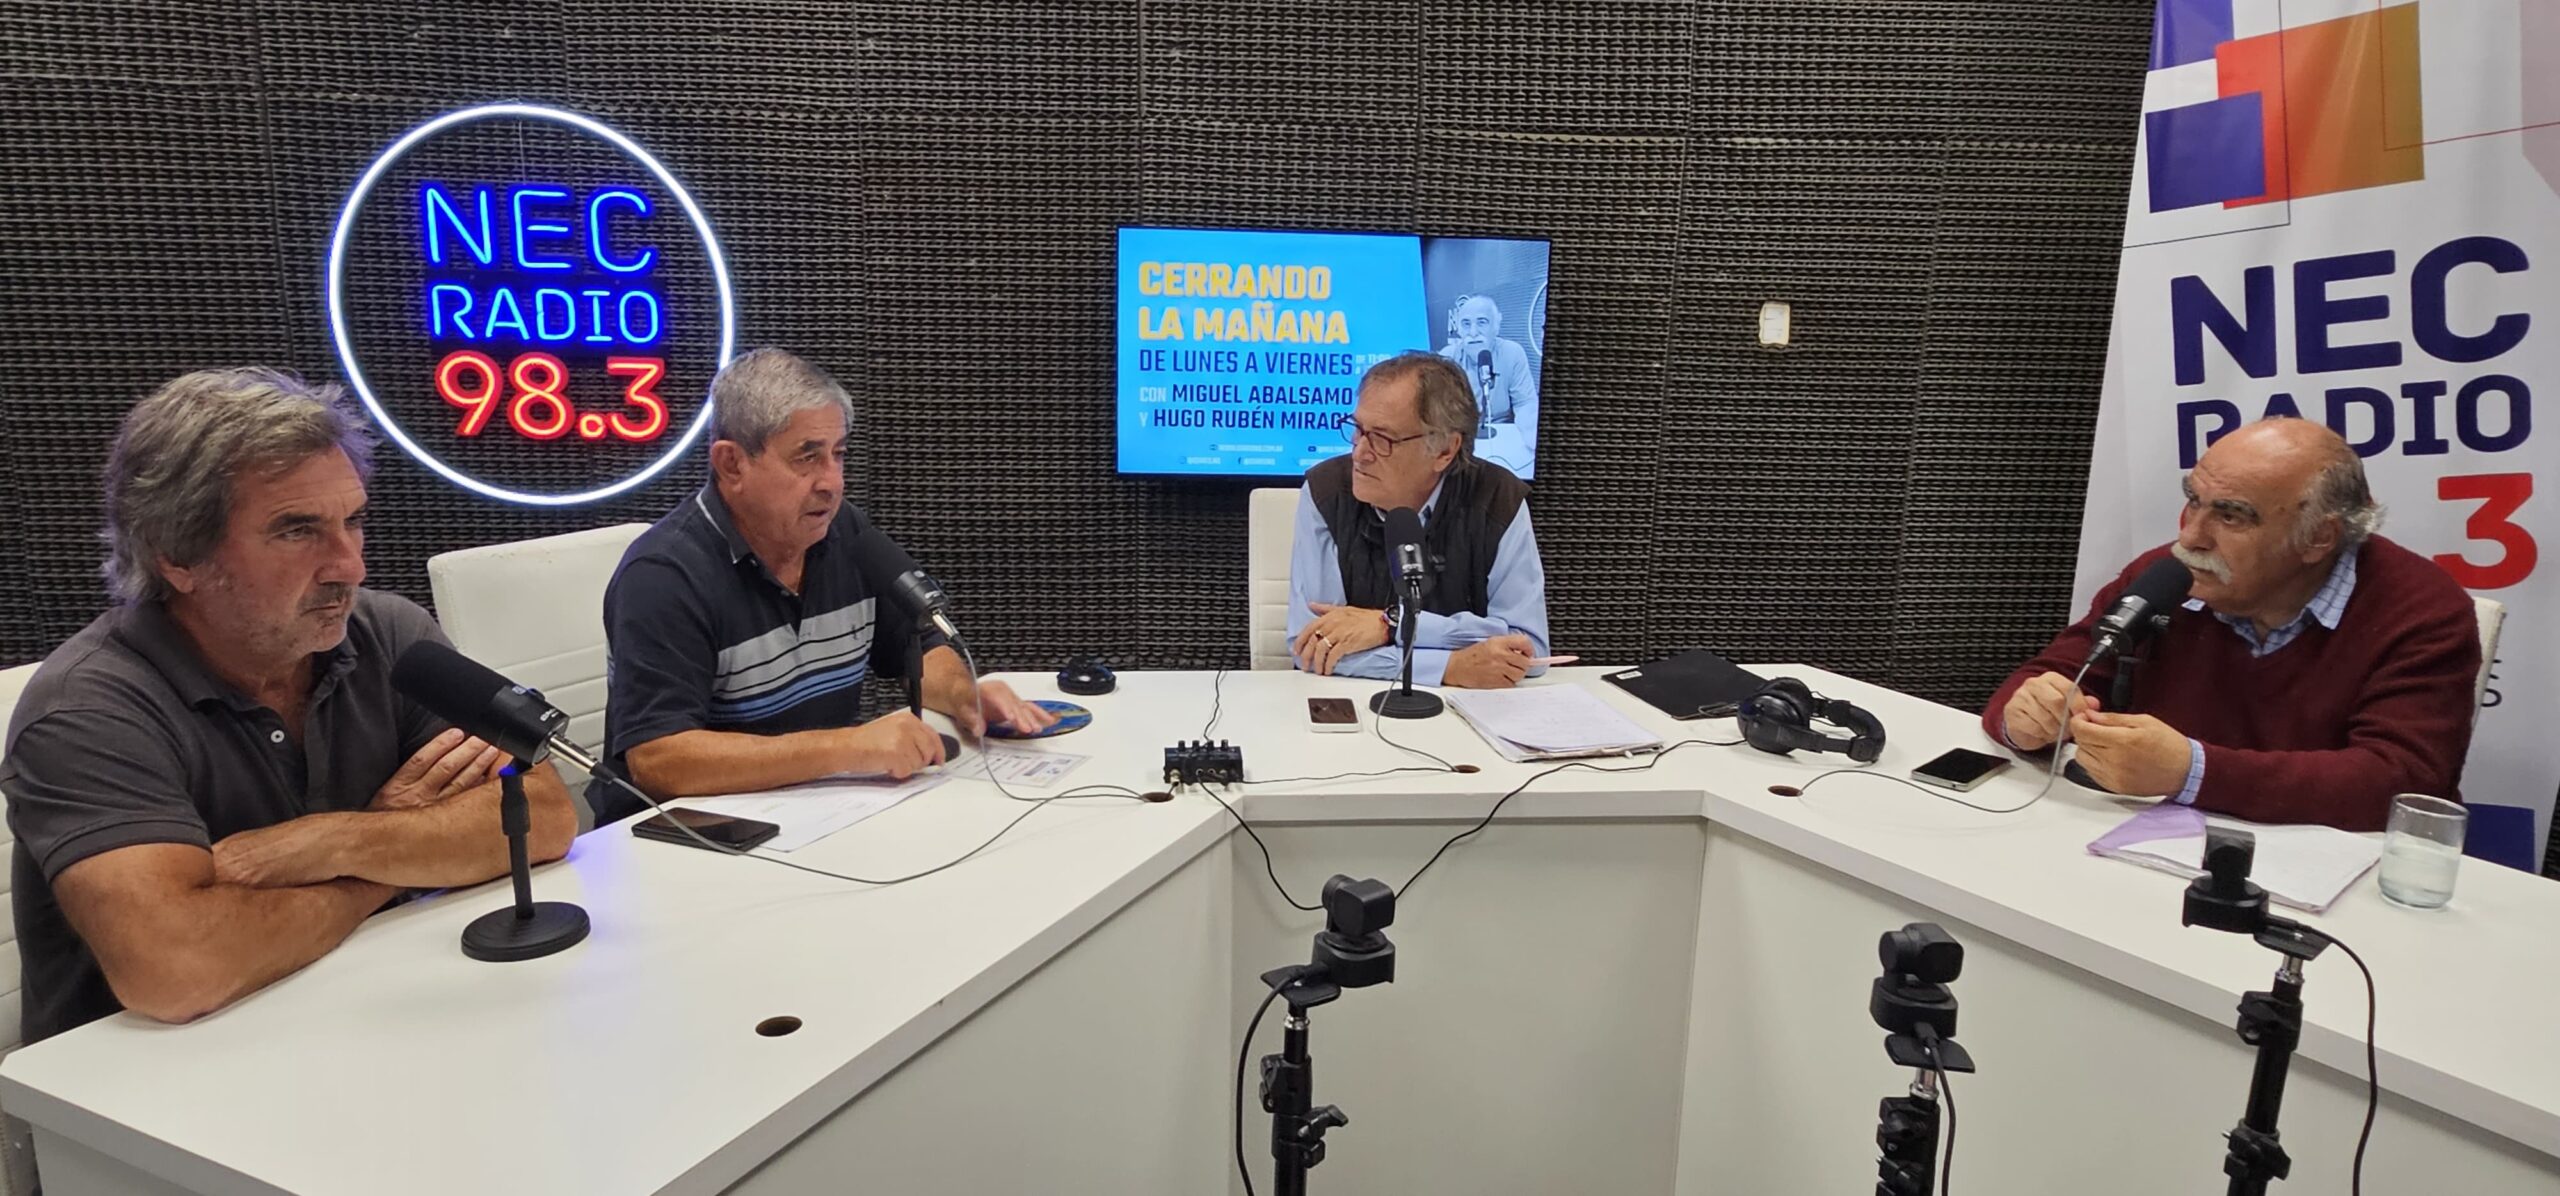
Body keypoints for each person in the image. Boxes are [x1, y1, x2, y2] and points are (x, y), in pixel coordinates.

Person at [0, 368, 576, 1041]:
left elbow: (543, 817)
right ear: (176, 555)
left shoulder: (387, 633)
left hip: (357, 1013)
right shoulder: (85, 712)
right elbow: (179, 967)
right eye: (297, 530)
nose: (349, 566)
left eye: (353, 521)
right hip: (144, 1081)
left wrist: (331, 841)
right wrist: (381, 869)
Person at [594, 348, 1052, 823]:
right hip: (686, 836)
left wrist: (963, 695)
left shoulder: (842, 533)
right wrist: (846, 748)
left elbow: (916, 646)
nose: (832, 482)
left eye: (838, 454)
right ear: (732, 465)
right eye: (807, 457)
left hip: (813, 813)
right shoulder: (663, 576)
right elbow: (659, 761)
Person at [1985, 418, 2480, 831]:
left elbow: (2403, 781)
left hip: (2327, 877)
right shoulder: (2166, 576)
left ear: (2318, 538)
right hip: (2149, 848)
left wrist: (2191, 771)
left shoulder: (2420, 610)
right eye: (2193, 501)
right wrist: (2025, 719)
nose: (2190, 536)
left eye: (2231, 516)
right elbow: (2053, 674)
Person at [1288, 351, 1550, 689]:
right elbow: (1312, 646)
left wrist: (1390, 626)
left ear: (1445, 450)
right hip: (1353, 700)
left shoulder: (1498, 499)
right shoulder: (1326, 492)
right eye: (1357, 429)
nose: (1360, 454)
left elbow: (1528, 649)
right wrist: (1448, 667)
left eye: (1382, 438)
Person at [1435, 294, 1538, 432]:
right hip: (1462, 432)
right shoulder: (1447, 358)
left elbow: (1525, 404)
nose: (1473, 333)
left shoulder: (1512, 353)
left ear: (1496, 327)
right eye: (1466, 324)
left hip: (1503, 432)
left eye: (1482, 322)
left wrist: (1528, 432)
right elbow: (1438, 410)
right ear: (1458, 329)